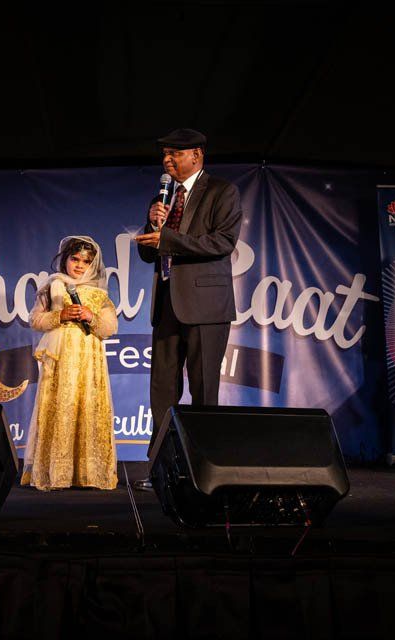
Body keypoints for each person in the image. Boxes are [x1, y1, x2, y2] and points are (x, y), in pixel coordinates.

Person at [134, 128, 242, 487]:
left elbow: (222, 242)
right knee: (161, 390)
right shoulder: (162, 196)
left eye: (175, 154)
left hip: (206, 307)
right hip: (167, 304)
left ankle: (202, 466)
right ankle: (160, 468)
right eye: (165, 154)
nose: (167, 161)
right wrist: (153, 225)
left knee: (203, 389)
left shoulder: (221, 191)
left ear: (196, 155)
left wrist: (167, 237)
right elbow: (149, 249)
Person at [21, 236, 119, 491]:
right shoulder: (53, 286)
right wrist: (60, 315)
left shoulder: (100, 295)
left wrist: (91, 316)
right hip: (61, 360)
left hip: (89, 362)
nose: (79, 265)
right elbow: (35, 320)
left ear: (93, 265)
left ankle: (90, 473)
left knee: (88, 407)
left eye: (86, 262)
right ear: (64, 259)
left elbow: (110, 327)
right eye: (74, 259)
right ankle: (56, 473)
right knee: (60, 407)